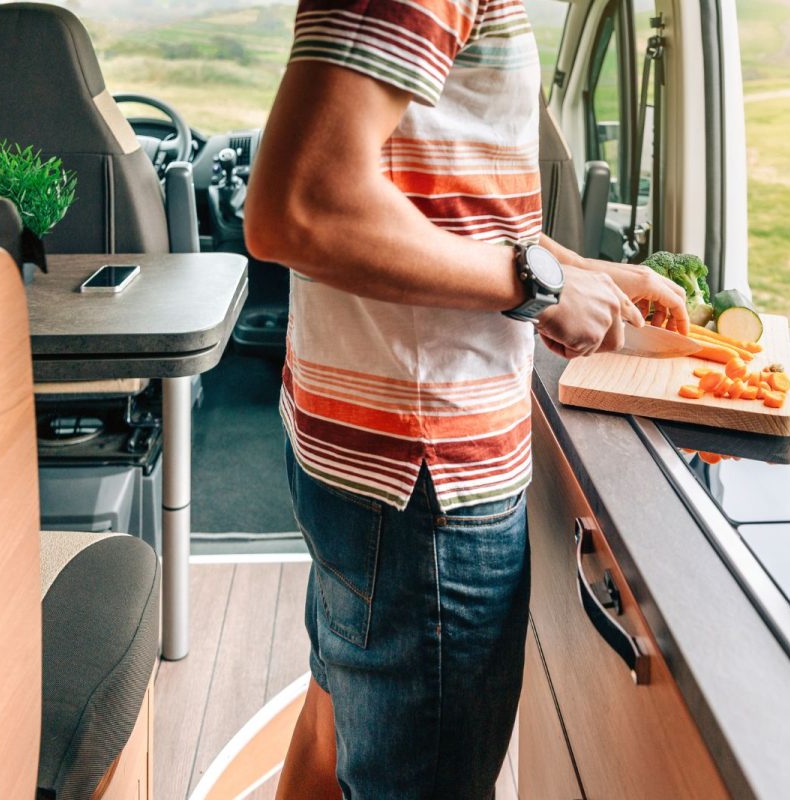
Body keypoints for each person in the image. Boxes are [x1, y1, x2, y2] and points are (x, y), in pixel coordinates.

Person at [245, 1, 689, 796]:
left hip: (373, 461)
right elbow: (299, 206)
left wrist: (579, 272)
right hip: (425, 482)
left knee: (331, 729)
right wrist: (538, 288)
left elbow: (437, 193)